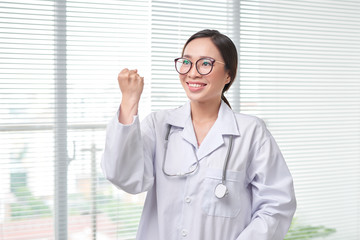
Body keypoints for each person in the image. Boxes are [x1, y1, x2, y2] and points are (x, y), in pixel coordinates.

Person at [101, 29, 296, 240]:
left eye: (205, 63)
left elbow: (277, 205)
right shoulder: (159, 125)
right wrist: (129, 101)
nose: (192, 73)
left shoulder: (251, 132)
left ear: (229, 74)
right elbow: (125, 178)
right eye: (186, 62)